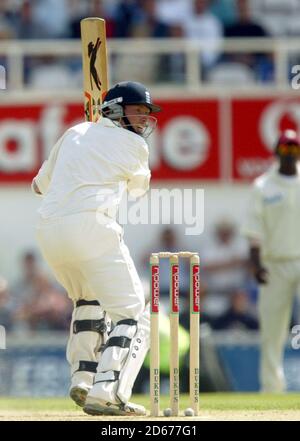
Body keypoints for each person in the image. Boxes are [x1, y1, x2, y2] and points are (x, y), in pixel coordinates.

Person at [31, 81, 161, 416]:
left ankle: (84, 378)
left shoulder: (74, 132)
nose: (145, 119)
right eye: (138, 111)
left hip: (49, 231)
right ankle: (109, 391)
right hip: (92, 227)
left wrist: (89, 142)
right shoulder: (135, 146)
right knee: (132, 312)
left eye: (147, 113)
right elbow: (137, 190)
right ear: (116, 109)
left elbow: (39, 185)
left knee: (88, 299)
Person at [242, 129, 300, 392]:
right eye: (285, 150)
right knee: (273, 330)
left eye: (294, 150)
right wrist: (256, 264)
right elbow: (254, 229)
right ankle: (272, 389)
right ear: (277, 152)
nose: (289, 155)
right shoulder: (263, 186)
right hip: (274, 264)